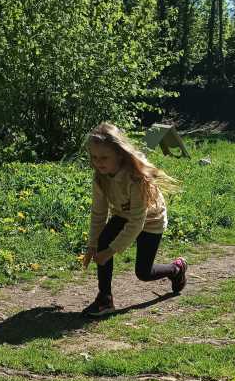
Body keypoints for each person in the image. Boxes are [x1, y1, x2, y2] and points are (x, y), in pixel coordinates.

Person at [81, 122, 188, 316]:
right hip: (123, 215)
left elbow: (137, 221)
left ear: (119, 154)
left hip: (151, 221)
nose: (98, 162)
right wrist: (92, 246)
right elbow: (98, 213)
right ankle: (105, 299)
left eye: (104, 157)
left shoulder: (136, 178)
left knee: (144, 273)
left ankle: (176, 269)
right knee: (103, 241)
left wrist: (111, 252)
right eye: (94, 157)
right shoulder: (100, 178)